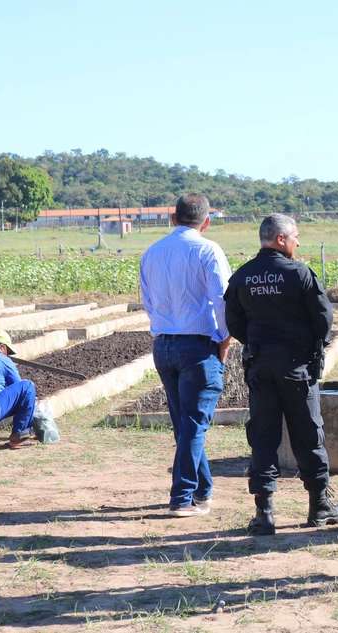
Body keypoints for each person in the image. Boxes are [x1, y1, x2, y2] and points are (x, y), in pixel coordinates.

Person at [225, 213, 338, 534]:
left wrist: (255, 341)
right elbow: (323, 318)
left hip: (261, 367)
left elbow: (233, 322)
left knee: (263, 436)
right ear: (281, 239)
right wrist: (311, 342)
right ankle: (319, 507)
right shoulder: (300, 273)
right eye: (295, 238)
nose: (298, 243)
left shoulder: (243, 276)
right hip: (297, 368)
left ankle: (264, 515)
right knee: (308, 434)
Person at [140, 193, 232, 518]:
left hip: (163, 344)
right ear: (205, 222)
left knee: (185, 424)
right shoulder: (208, 249)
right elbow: (222, 300)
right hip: (197, 345)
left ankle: (201, 493)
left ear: (172, 218)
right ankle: (182, 497)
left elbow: (148, 303)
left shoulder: (151, 253)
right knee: (193, 425)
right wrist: (224, 339)